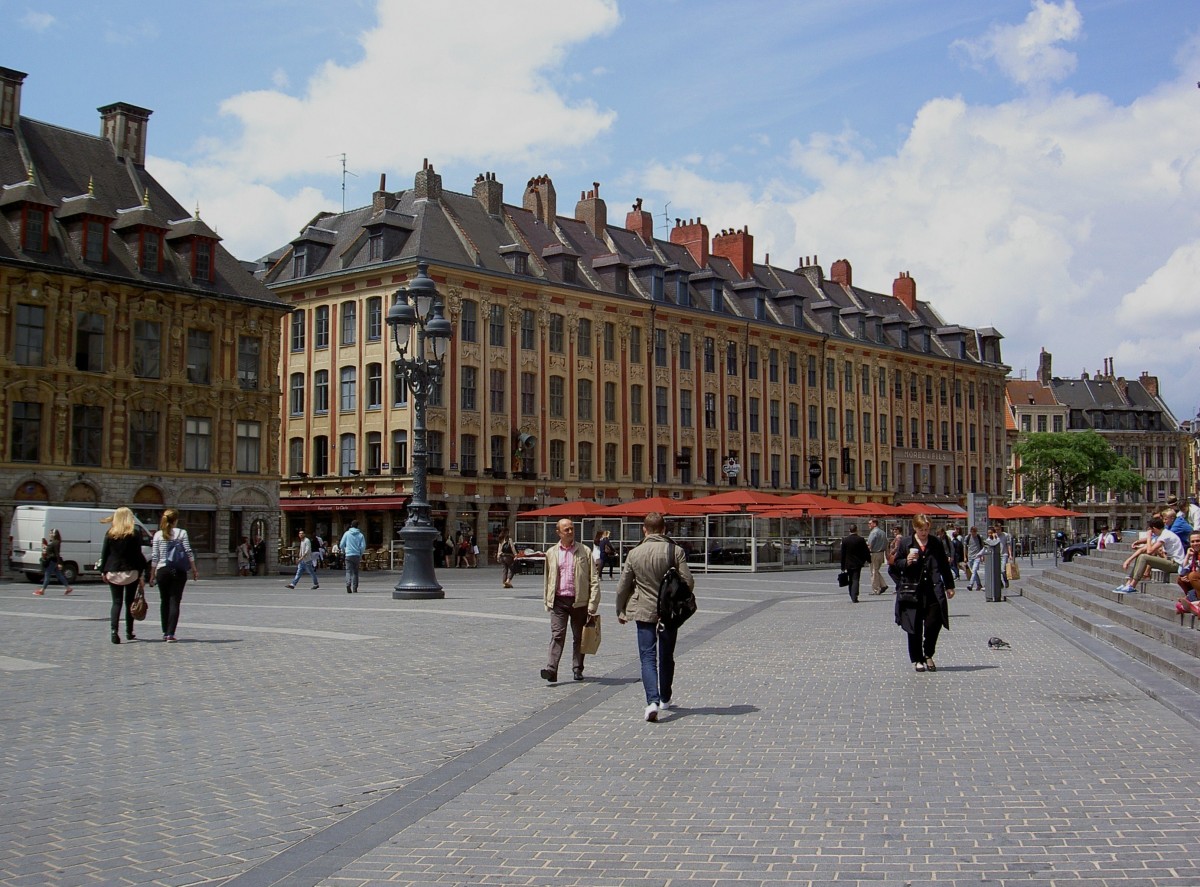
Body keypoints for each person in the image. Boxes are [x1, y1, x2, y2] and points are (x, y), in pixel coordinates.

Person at [616, 512, 695, 722]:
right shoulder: (675, 551)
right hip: (668, 612)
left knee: (647, 656)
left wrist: (620, 610)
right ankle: (665, 697)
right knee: (666, 655)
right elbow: (689, 581)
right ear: (664, 529)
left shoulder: (634, 553)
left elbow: (623, 585)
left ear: (644, 529)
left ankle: (651, 701)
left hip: (643, 609)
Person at [888, 513, 955, 673]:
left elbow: (943, 565)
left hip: (932, 589)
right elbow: (895, 565)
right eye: (921, 529)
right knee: (914, 626)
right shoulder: (906, 543)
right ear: (914, 528)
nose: (924, 532)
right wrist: (906, 561)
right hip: (913, 591)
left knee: (934, 623)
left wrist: (949, 585)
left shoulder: (935, 543)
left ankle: (928, 653)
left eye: (926, 529)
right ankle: (917, 658)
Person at [541, 518, 601, 684]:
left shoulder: (584, 551)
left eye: (572, 529)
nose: (570, 532)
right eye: (566, 529)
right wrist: (547, 600)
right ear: (558, 532)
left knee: (579, 637)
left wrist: (592, 604)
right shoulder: (551, 552)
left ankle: (577, 669)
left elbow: (593, 579)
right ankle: (551, 669)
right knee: (557, 635)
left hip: (579, 601)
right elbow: (548, 578)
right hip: (559, 601)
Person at [100, 507, 149, 644]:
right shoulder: (134, 534)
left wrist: (103, 571)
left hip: (113, 570)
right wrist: (141, 573)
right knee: (129, 602)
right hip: (130, 571)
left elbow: (104, 554)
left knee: (116, 602)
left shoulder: (110, 533)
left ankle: (114, 631)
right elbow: (138, 555)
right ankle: (129, 631)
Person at [148, 508, 198, 643]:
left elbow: (155, 556)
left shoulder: (158, 535)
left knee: (164, 601)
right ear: (176, 519)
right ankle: (171, 633)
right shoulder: (182, 533)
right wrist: (193, 569)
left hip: (162, 571)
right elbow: (188, 551)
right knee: (174, 601)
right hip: (178, 570)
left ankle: (165, 631)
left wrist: (152, 574)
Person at [1114, 515, 1185, 594]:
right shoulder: (1162, 535)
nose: (1152, 533)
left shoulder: (1165, 535)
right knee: (1141, 556)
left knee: (1144, 557)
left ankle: (1132, 585)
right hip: (1170, 561)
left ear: (1154, 528)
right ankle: (1128, 583)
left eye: (1152, 530)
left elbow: (1149, 551)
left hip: (1175, 564)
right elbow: (1143, 549)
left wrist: (1148, 537)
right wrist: (1129, 560)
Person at [35, 528, 73, 596]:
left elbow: (56, 553)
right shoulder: (55, 542)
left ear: (54, 534)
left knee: (47, 574)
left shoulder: (56, 543)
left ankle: (42, 590)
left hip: (52, 561)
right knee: (59, 575)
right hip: (54, 561)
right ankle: (68, 588)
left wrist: (59, 563)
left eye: (51, 533)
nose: (49, 534)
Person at [839, 523, 870, 603]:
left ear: (849, 530)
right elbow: (866, 551)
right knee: (856, 579)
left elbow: (842, 554)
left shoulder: (845, 540)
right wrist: (868, 560)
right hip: (858, 563)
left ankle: (851, 594)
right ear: (856, 530)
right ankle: (855, 595)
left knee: (850, 580)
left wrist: (842, 566)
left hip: (848, 563)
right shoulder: (861, 539)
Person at [340, 520, 366, 593]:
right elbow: (363, 546)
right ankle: (355, 588)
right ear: (358, 526)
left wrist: (344, 551)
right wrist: (360, 553)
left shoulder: (347, 534)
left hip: (348, 554)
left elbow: (341, 544)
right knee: (355, 572)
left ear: (351, 525)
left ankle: (348, 583)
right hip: (356, 555)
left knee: (348, 571)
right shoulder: (360, 535)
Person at [866, 519, 888, 594]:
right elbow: (886, 543)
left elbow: (870, 545)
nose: (868, 525)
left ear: (874, 524)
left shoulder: (873, 533)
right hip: (881, 553)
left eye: (870, 523)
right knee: (876, 570)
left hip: (874, 553)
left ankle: (876, 589)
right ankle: (883, 585)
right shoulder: (883, 532)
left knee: (873, 571)